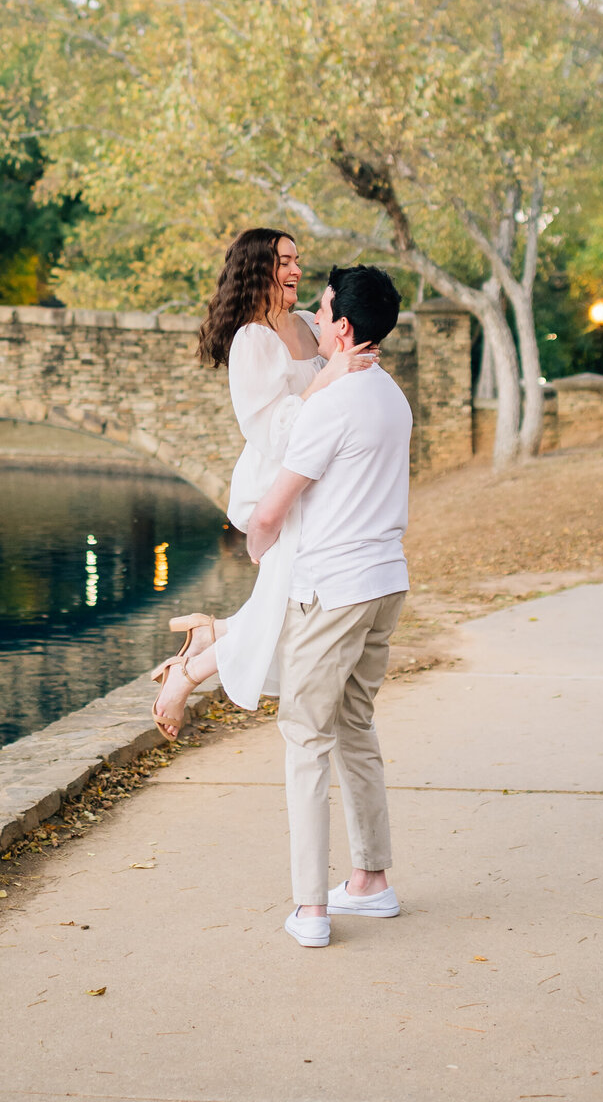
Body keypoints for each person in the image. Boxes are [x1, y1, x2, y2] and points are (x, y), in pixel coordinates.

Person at [157, 262, 412, 950]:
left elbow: (268, 513)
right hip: (387, 582)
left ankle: (311, 909)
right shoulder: (392, 395)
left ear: (345, 328)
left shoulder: (332, 406)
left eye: (324, 312)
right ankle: (370, 881)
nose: (316, 320)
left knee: (305, 739)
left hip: (334, 589)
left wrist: (261, 549)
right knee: (355, 725)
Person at [151, 228, 375, 736]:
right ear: (258, 270)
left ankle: (210, 638)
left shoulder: (302, 323)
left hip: (316, 488)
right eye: (285, 262)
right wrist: (328, 378)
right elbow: (270, 431)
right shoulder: (252, 340)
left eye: (298, 260)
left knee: (290, 606)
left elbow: (339, 383)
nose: (296, 270)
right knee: (288, 609)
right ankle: (184, 675)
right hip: (276, 486)